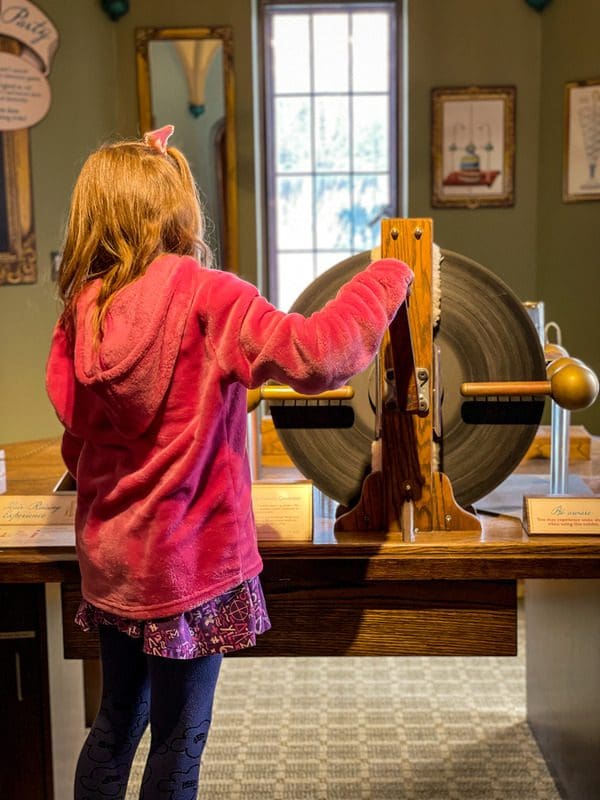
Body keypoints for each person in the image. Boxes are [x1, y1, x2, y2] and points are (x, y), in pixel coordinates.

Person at [46, 125, 413, 800]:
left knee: (116, 721)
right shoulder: (210, 295)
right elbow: (320, 354)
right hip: (190, 567)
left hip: (113, 566)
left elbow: (80, 435)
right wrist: (387, 276)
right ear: (175, 208)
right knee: (180, 739)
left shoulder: (82, 310)